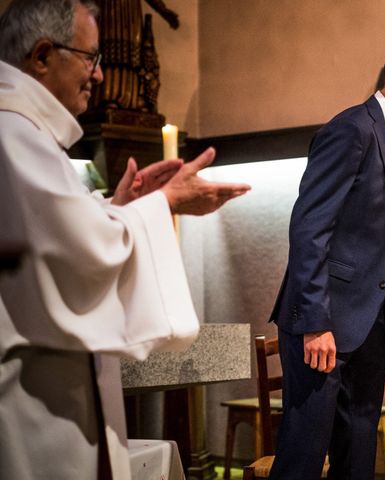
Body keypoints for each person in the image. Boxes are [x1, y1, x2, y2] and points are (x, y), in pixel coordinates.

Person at [0, 1, 250, 479]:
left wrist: (118, 210)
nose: (97, 74)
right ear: (42, 55)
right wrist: (164, 205)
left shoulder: (25, 134)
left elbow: (52, 242)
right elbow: (78, 252)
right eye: (90, 57)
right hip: (33, 395)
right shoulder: (14, 135)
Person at [268, 40, 385, 479]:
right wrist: (315, 323)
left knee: (357, 454)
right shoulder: (350, 128)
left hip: (369, 327)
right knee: (304, 455)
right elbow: (310, 226)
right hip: (324, 323)